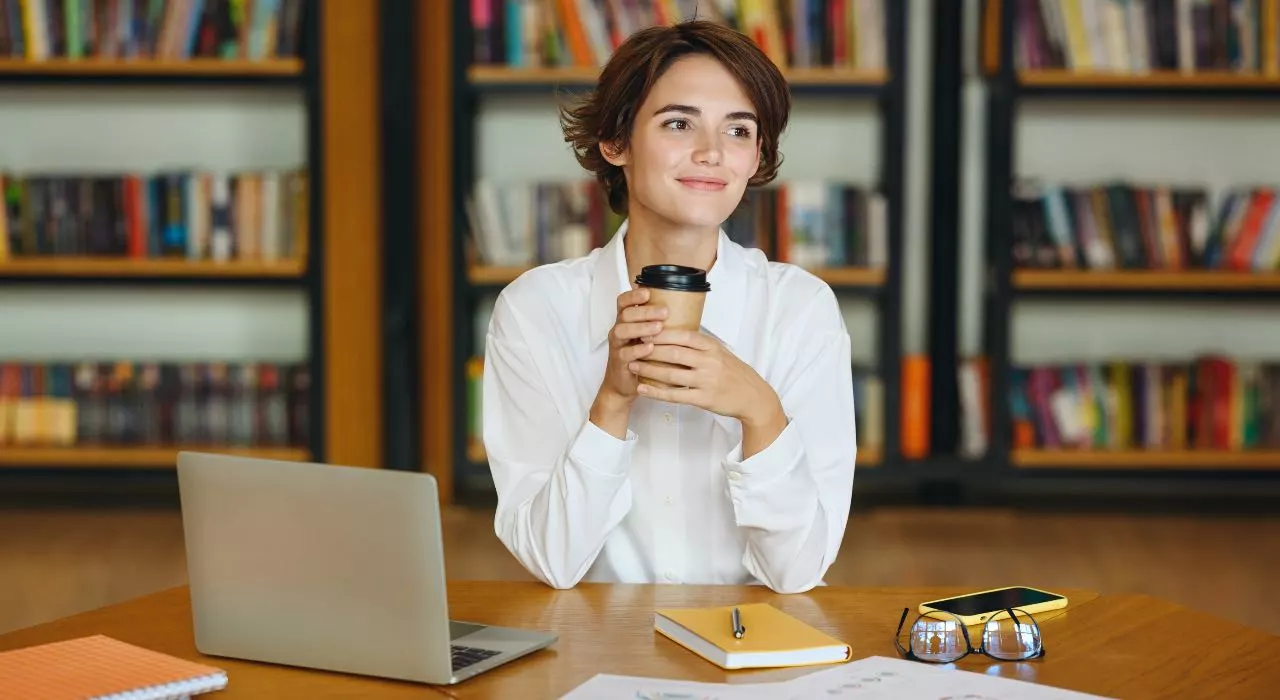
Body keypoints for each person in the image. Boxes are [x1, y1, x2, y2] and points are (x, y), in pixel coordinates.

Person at [481, 20, 857, 594]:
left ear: (757, 157)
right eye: (679, 123)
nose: (711, 153)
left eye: (738, 130)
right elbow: (552, 562)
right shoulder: (536, 310)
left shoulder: (800, 310)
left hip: (752, 651)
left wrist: (760, 410)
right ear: (615, 141)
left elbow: (797, 571)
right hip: (596, 653)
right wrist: (610, 402)